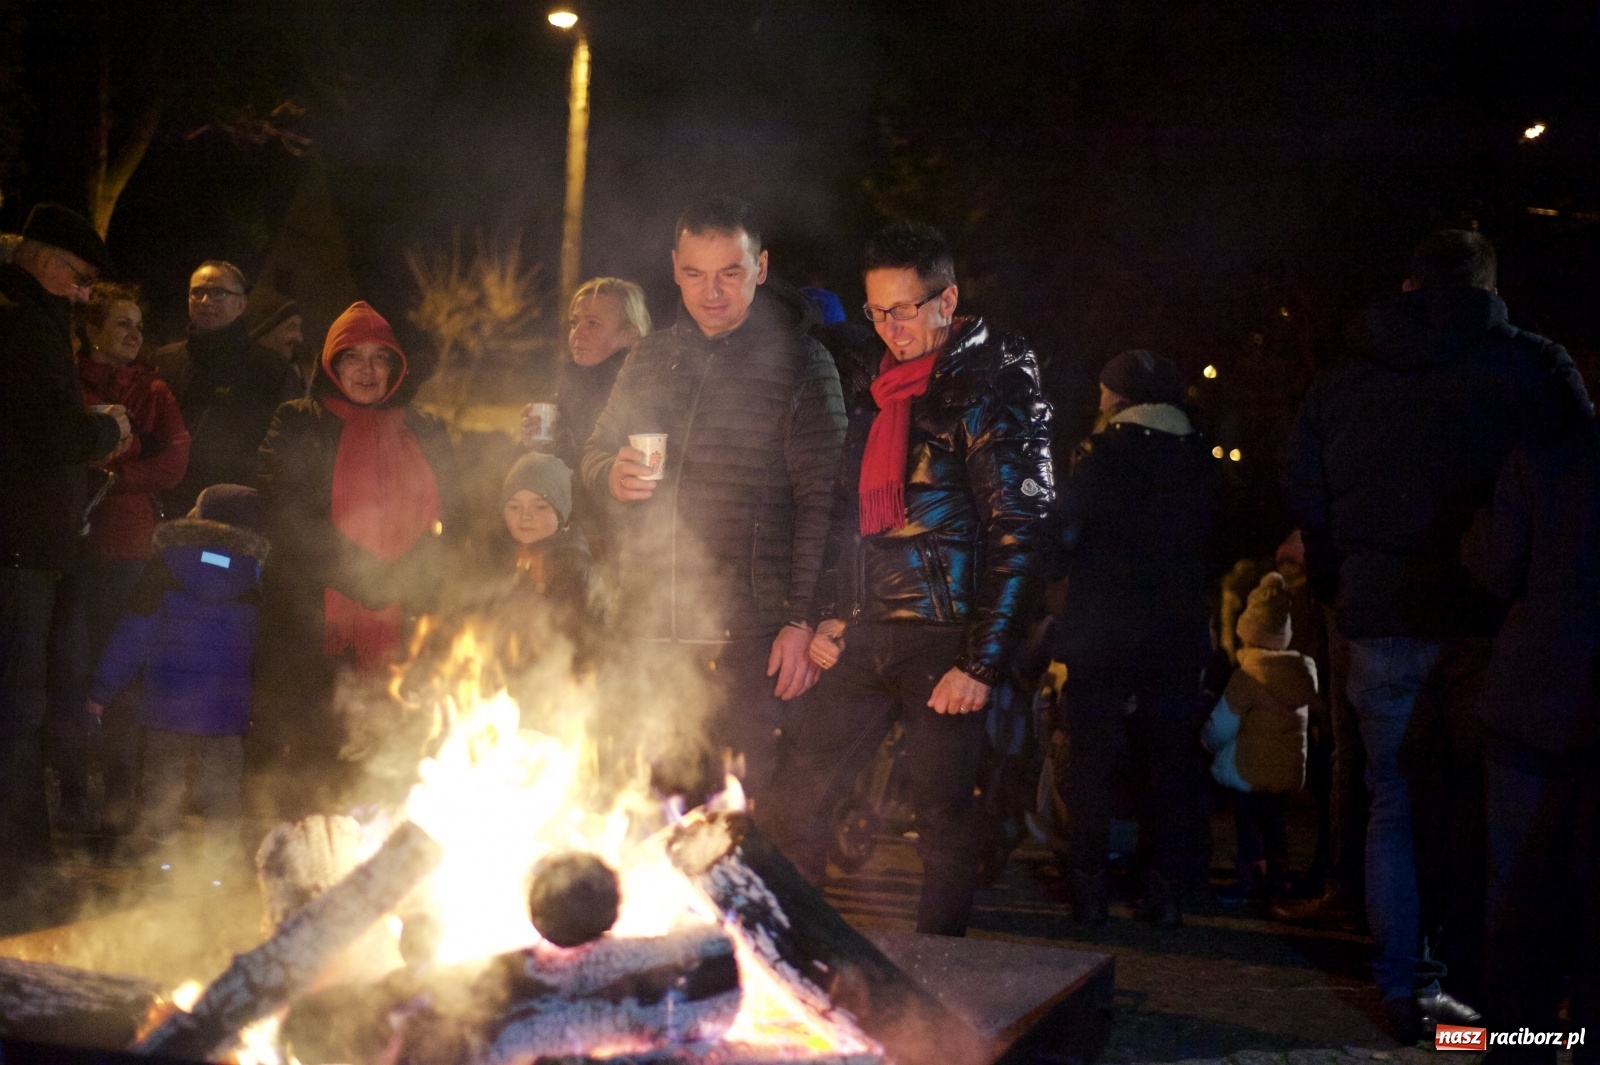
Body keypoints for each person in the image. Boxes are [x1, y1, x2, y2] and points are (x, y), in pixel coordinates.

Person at [1286, 228, 1590, 1041]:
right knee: (1496, 813)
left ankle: (1405, 990)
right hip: (1497, 622)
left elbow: (1309, 502)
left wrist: (1341, 584)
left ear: (1410, 285)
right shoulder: (1533, 366)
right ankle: (1499, 996)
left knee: (1395, 799)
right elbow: (1578, 481)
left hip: (1382, 618)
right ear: (1490, 284)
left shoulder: (1341, 378)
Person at [760, 221, 1055, 937]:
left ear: (946, 299)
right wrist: (831, 612)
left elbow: (1022, 528)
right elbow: (844, 517)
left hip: (944, 639)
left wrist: (980, 662)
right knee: (795, 796)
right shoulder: (876, 387)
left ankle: (938, 984)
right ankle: (798, 957)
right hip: (865, 630)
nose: (891, 326)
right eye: (877, 310)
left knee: (943, 820)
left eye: (906, 308)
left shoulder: (995, 384)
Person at [579, 196, 846, 801]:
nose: (712, 291)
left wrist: (802, 619)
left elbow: (824, 500)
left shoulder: (803, 361)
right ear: (675, 268)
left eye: (730, 272)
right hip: (649, 627)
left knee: (740, 817)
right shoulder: (651, 356)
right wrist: (608, 474)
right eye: (696, 273)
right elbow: (594, 452)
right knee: (652, 814)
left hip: (748, 637)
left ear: (761, 267)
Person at [256, 300, 461, 816]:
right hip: (316, 618)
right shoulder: (298, 422)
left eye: (379, 359)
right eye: (352, 358)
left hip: (405, 614)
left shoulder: (425, 431)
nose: (367, 371)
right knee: (315, 755)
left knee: (396, 757)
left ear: (395, 367)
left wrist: (400, 577)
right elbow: (287, 510)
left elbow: (456, 518)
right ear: (331, 364)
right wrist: (362, 575)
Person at [1049, 348, 1219, 929]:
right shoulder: (1198, 458)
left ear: (1116, 398)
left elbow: (1064, 532)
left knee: (1092, 759)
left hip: (1102, 626)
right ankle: (1165, 888)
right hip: (1173, 630)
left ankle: (1089, 886)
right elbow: (1216, 540)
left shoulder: (1098, 456)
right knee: (1170, 760)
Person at [1461, 413, 1599, 1063]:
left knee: (1518, 900)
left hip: (1536, 698)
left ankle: (1522, 1047)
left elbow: (1496, 564)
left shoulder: (1548, 451)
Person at [0, 203, 127, 899]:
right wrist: (102, 433)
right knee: (18, 708)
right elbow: (46, 430)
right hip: (18, 545)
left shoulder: (29, 314)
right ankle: (18, 867)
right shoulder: (21, 321)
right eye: (78, 279)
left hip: (28, 542)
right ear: (45, 260)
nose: (82, 296)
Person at [61, 282, 191, 833]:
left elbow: (174, 463)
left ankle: (114, 804)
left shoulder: (154, 392)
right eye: (121, 324)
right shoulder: (66, 382)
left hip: (132, 548)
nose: (136, 335)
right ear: (91, 331)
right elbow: (63, 450)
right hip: (72, 549)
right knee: (69, 670)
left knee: (123, 677)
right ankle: (70, 794)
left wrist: (113, 474)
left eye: (139, 325)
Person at [87, 484, 267, 882]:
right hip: (225, 712)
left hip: (168, 706)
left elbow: (134, 632)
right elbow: (263, 648)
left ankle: (161, 865)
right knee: (221, 791)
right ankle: (218, 869)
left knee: (162, 785)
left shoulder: (168, 564)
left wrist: (101, 690)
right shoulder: (255, 575)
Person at [1202, 571, 1316, 905]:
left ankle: (1250, 880)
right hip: (1286, 771)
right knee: (1275, 824)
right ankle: (1279, 879)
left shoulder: (1247, 676)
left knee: (1248, 825)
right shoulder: (1302, 672)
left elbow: (1223, 724)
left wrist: (1207, 741)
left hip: (1248, 770)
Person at [153, 260, 302, 515]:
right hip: (161, 504)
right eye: (197, 292)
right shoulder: (163, 362)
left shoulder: (271, 370)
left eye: (218, 293)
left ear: (241, 304)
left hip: (232, 509)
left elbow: (285, 450)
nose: (205, 301)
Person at [247, 291, 309, 399]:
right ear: (264, 332)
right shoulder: (276, 375)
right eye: (291, 327)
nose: (300, 338)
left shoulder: (293, 370)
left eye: (299, 328)